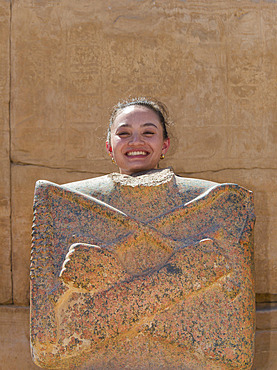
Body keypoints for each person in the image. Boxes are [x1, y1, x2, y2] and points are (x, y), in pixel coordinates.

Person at [30, 98, 255, 369]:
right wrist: (183, 279)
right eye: (124, 133)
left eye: (148, 132)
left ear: (165, 144)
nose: (135, 141)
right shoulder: (69, 203)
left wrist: (117, 287)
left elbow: (236, 349)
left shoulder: (214, 203)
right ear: (109, 145)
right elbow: (48, 347)